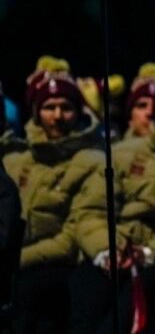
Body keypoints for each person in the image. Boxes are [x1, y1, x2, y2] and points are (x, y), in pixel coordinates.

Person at [70, 58, 155, 334]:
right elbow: (89, 212)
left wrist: (149, 253)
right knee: (84, 298)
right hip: (112, 255)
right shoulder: (123, 154)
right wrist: (106, 249)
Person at [4, 62, 104, 333]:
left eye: (66, 107)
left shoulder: (92, 161)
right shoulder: (15, 160)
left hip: (56, 267)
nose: (57, 115)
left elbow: (70, 238)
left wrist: (15, 261)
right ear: (36, 112)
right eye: (49, 107)